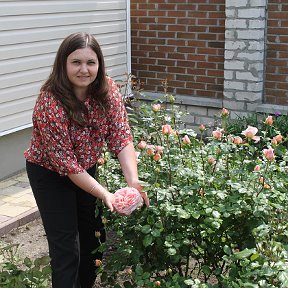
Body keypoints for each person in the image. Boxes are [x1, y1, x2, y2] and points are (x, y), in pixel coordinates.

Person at [24, 32, 149, 288]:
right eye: (76, 62)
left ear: (99, 64)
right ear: (63, 64)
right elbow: (67, 164)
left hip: (86, 169)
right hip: (50, 175)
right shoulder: (50, 103)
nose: (84, 69)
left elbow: (120, 135)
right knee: (66, 248)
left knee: (93, 240)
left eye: (91, 62)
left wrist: (133, 181)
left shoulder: (107, 89)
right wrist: (106, 195)